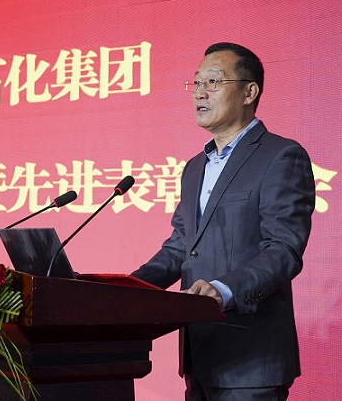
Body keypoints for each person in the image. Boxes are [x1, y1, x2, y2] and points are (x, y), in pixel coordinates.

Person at [131, 42, 315, 401]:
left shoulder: (281, 156)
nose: (199, 92)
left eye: (213, 82)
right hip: (200, 356)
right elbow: (180, 247)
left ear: (249, 92)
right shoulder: (194, 167)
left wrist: (223, 289)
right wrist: (126, 288)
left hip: (251, 359)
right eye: (197, 82)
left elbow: (284, 250)